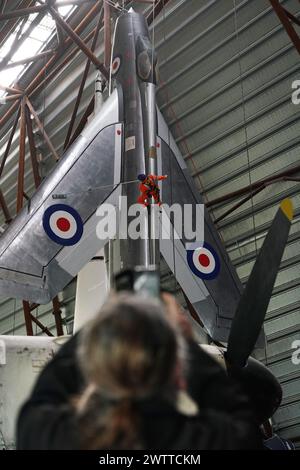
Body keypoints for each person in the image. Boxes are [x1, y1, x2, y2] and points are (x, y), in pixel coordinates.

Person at [16, 293, 263, 450]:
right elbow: (245, 426)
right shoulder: (208, 442)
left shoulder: (51, 438)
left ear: (95, 368)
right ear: (178, 372)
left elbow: (45, 393)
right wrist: (185, 340)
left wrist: (108, 323)